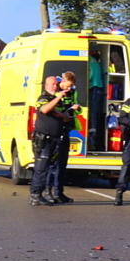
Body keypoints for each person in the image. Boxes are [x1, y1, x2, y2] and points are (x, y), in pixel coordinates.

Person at [28, 75, 74, 206]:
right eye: (52, 84)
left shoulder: (56, 99)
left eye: (56, 84)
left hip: (56, 139)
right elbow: (45, 109)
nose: (55, 86)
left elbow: (58, 112)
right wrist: (59, 97)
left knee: (51, 168)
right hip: (44, 139)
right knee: (41, 168)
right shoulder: (43, 98)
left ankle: (48, 193)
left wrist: (65, 114)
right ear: (46, 86)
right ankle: (35, 195)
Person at [46, 72, 79, 203]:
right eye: (68, 85)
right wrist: (67, 108)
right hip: (55, 130)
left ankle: (59, 193)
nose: (69, 88)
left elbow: (74, 108)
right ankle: (48, 191)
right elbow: (54, 108)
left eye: (71, 86)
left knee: (62, 164)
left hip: (66, 129)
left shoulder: (71, 93)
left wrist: (75, 109)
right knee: (52, 164)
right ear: (62, 81)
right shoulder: (55, 93)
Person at [88, 50, 105, 144]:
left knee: (92, 113)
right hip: (97, 87)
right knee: (94, 113)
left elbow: (89, 75)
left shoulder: (89, 60)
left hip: (94, 86)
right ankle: (93, 138)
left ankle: (92, 139)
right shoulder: (94, 61)